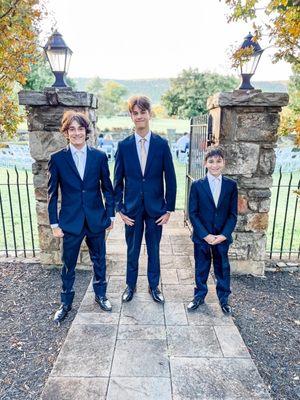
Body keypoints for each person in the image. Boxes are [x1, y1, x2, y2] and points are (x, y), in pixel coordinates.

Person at [48, 111, 115, 324]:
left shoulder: (99, 156)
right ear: (66, 133)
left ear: (87, 131)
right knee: (68, 263)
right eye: (72, 129)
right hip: (70, 221)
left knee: (99, 260)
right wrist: (54, 223)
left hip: (96, 219)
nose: (76, 133)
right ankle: (65, 303)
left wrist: (111, 215)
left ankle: (101, 295)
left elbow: (108, 188)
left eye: (80, 129)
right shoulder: (57, 159)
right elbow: (51, 194)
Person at [114, 95, 176, 304]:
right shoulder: (123, 146)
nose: (139, 116)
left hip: (155, 209)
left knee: (154, 250)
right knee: (132, 251)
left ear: (149, 114)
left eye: (142, 112)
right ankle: (130, 286)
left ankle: (154, 286)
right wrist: (119, 208)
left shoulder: (161, 144)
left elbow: (171, 178)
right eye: (135, 113)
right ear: (131, 116)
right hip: (131, 209)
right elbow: (117, 180)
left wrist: (168, 209)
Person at [187, 146, 238, 314]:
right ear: (205, 163)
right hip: (203, 236)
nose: (215, 165)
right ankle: (199, 295)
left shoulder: (231, 186)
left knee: (222, 267)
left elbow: (232, 214)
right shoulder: (197, 185)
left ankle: (224, 299)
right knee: (201, 266)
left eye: (218, 161)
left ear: (223, 162)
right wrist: (205, 235)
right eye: (211, 161)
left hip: (221, 236)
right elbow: (192, 213)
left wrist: (224, 235)